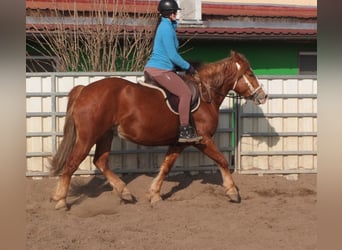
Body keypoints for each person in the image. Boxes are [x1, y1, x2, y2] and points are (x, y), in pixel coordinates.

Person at [144, 0, 202, 143]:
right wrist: (188, 67)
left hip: (163, 68)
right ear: (169, 13)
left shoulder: (167, 26)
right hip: (160, 70)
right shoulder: (166, 28)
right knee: (185, 93)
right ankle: (184, 130)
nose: (177, 14)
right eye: (175, 12)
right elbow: (172, 55)